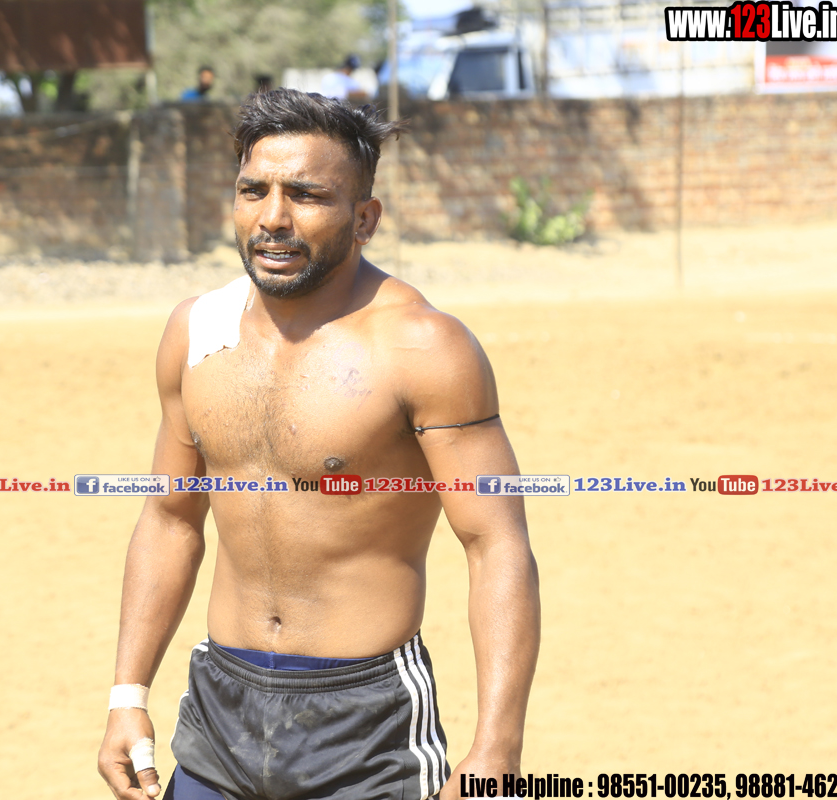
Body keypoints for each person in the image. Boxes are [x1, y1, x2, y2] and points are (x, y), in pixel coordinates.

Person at [98, 89, 540, 800]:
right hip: (219, 711)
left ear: (365, 218)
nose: (273, 218)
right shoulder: (196, 331)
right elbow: (170, 517)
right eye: (254, 191)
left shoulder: (423, 346)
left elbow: (497, 544)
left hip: (364, 724)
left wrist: (498, 747)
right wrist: (127, 694)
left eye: (306, 195)